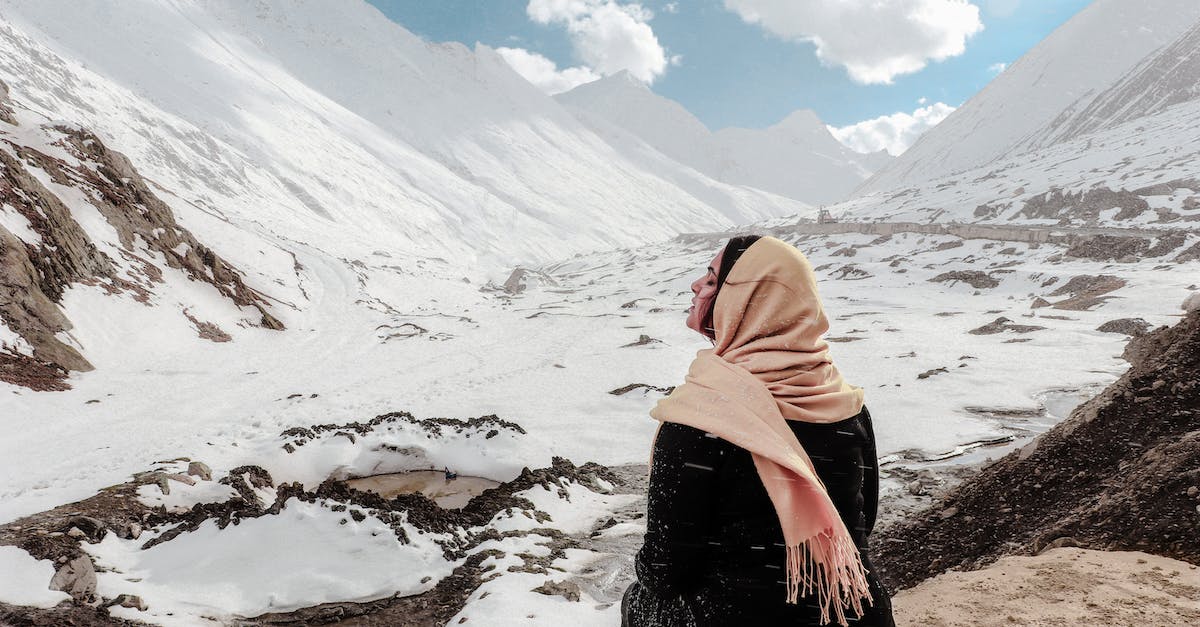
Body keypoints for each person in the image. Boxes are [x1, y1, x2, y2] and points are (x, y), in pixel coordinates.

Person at [622, 235, 895, 626]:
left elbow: (667, 570)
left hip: (735, 615)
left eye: (713, 279)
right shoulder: (844, 406)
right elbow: (862, 523)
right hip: (853, 612)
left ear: (746, 301)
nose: (696, 285)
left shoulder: (700, 422)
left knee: (638, 602)